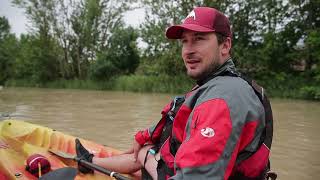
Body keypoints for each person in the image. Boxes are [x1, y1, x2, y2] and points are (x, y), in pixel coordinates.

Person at [76, 7, 276, 180]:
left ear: (225, 46)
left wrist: (147, 155)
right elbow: (178, 120)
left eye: (199, 39)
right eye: (184, 41)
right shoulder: (222, 84)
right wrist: (144, 137)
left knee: (146, 152)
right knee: (148, 147)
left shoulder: (221, 99)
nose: (188, 51)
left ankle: (89, 161)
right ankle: (91, 161)